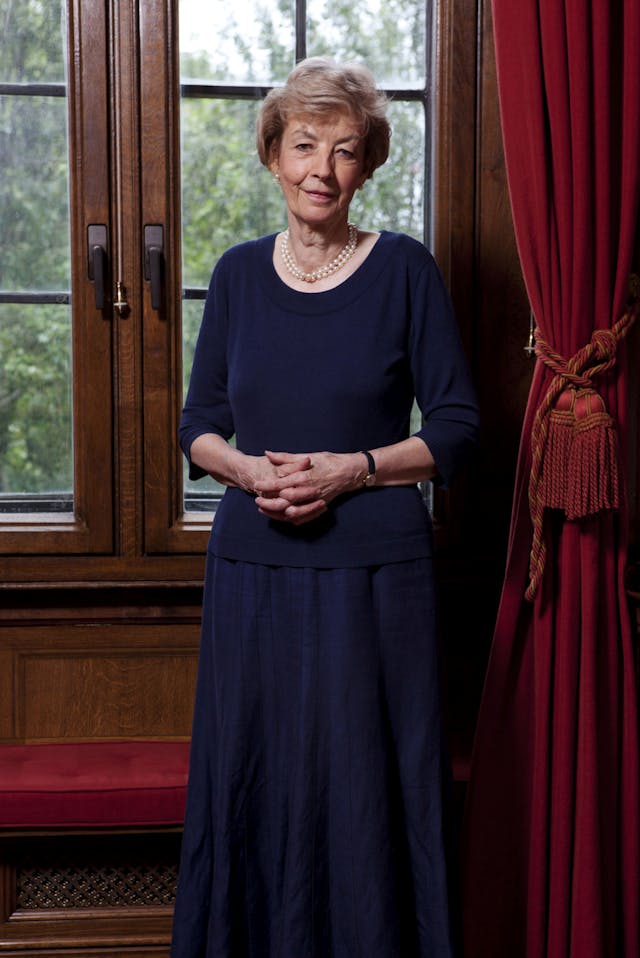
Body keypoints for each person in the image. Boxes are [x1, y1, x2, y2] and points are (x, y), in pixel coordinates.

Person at [171, 56, 479, 958]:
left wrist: (354, 470)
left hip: (376, 577)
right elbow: (198, 425)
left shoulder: (405, 271)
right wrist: (244, 472)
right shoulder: (234, 276)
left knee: (367, 788)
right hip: (254, 575)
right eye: (304, 146)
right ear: (273, 155)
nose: (322, 169)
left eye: (345, 152)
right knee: (253, 782)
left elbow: (458, 428)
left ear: (367, 166)